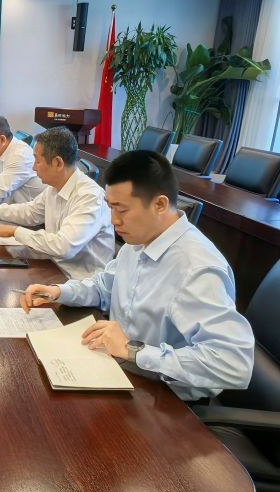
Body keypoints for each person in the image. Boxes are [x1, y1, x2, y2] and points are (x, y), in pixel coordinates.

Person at [20, 150, 254, 401]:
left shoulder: (196, 268)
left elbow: (234, 364)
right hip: (120, 371)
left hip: (165, 399)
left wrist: (133, 350)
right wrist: (60, 291)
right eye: (110, 207)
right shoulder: (138, 241)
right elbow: (105, 286)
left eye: (121, 210)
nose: (113, 221)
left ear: (160, 205)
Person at [0, 127, 114, 279]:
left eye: (38, 161)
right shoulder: (55, 187)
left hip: (79, 280)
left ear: (57, 163)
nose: (34, 168)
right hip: (54, 265)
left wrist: (15, 231)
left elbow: (63, 246)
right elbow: (30, 212)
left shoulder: (89, 196)